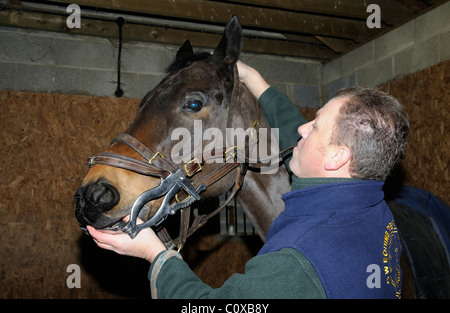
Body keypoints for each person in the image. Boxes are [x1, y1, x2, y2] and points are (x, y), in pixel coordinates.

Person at [88, 61, 410, 299]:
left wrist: (155, 254)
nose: (301, 128)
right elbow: (291, 127)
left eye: (315, 126)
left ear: (337, 157)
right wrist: (255, 81)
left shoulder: (297, 263)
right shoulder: (366, 205)